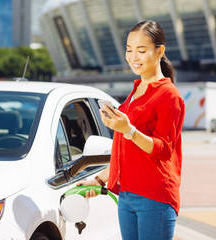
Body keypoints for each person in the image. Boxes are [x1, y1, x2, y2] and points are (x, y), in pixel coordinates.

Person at [78, 20, 185, 240]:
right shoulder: (135, 93)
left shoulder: (169, 96)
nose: (133, 57)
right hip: (126, 196)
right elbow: (123, 151)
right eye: (129, 50)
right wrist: (98, 180)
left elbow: (164, 150)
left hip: (155, 198)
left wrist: (129, 131)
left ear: (159, 51)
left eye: (141, 50)